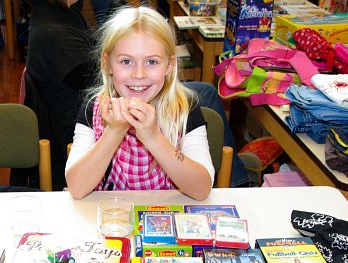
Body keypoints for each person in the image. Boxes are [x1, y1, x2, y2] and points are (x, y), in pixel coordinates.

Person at [65, 6, 214, 200]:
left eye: (152, 62)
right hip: (113, 213)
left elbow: (201, 189)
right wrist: (114, 130)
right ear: (107, 63)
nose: (139, 74)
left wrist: (154, 138)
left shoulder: (184, 107)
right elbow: (77, 188)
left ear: (169, 65)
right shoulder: (95, 107)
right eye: (126, 61)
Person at [20, 0, 98, 190]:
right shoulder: (53, 35)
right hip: (74, 134)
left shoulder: (60, 13)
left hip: (75, 115)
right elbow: (102, 83)